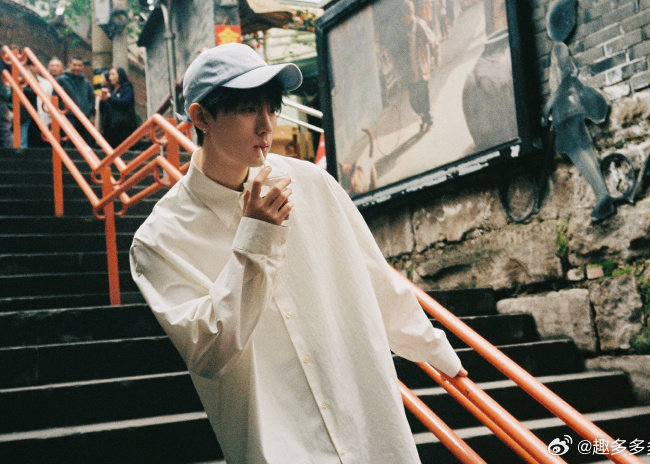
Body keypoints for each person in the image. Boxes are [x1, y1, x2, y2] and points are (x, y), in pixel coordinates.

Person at [130, 43, 465, 464]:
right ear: (201, 118)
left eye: (272, 108)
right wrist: (255, 240)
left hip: (365, 425)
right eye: (248, 109)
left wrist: (436, 351)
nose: (266, 125)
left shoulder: (310, 183)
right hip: (280, 442)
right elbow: (209, 352)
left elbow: (373, 276)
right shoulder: (159, 239)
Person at [403, 0, 438, 132]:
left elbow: (432, 41)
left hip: (422, 68)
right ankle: (423, 116)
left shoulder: (419, 25)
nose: (404, 20)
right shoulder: (403, 29)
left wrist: (436, 56)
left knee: (423, 96)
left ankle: (428, 118)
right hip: (411, 72)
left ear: (411, 13)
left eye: (405, 16)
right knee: (413, 100)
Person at [56, 56, 95, 146]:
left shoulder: (86, 83)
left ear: (83, 67)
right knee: (68, 144)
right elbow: (55, 98)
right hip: (68, 117)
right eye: (74, 65)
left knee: (86, 144)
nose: (77, 68)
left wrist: (88, 110)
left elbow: (91, 99)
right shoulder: (61, 80)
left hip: (83, 118)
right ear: (69, 64)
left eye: (79, 65)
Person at [99, 66, 137, 147]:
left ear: (120, 75)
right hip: (110, 126)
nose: (110, 77)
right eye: (110, 75)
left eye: (113, 75)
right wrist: (103, 101)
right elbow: (104, 109)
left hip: (123, 126)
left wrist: (110, 99)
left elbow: (125, 103)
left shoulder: (127, 88)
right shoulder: (110, 90)